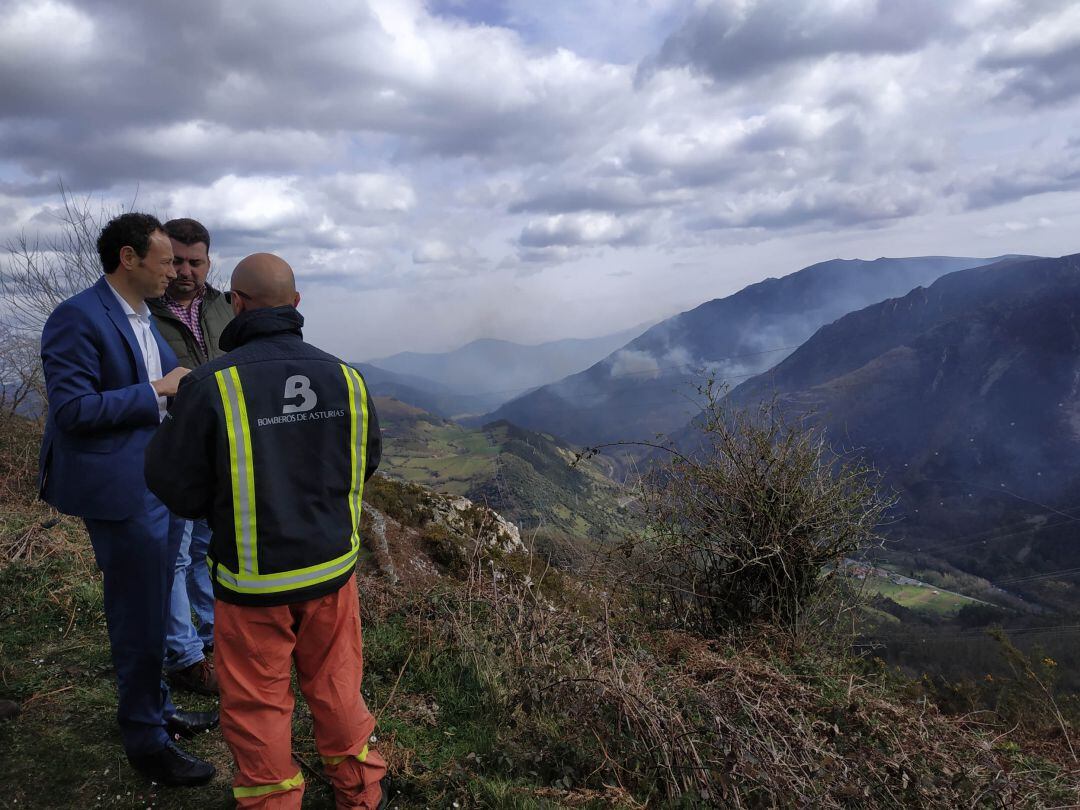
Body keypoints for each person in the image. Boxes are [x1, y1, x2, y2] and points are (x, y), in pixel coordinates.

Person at [146, 253, 386, 808]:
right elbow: (365, 461)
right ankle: (361, 791)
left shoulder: (210, 384)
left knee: (257, 705)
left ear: (236, 303)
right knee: (337, 688)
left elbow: (172, 482)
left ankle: (274, 801)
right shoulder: (347, 377)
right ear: (297, 304)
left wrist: (225, 509)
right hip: (331, 574)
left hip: (252, 583)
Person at [38, 212, 217, 786]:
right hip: (119, 490)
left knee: (151, 604)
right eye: (165, 261)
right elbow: (71, 412)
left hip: (155, 484)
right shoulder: (76, 318)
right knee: (138, 614)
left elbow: (171, 383)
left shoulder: (141, 318)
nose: (175, 272)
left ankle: (157, 708)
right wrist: (155, 391)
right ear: (129, 258)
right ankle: (145, 739)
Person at [147, 217, 233, 695]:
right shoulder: (142, 311)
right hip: (173, 448)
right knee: (175, 556)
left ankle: (206, 640)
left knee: (205, 549)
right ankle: (183, 657)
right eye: (175, 260)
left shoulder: (223, 308)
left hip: (221, 451)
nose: (184, 271)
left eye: (194, 262)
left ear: (208, 261)